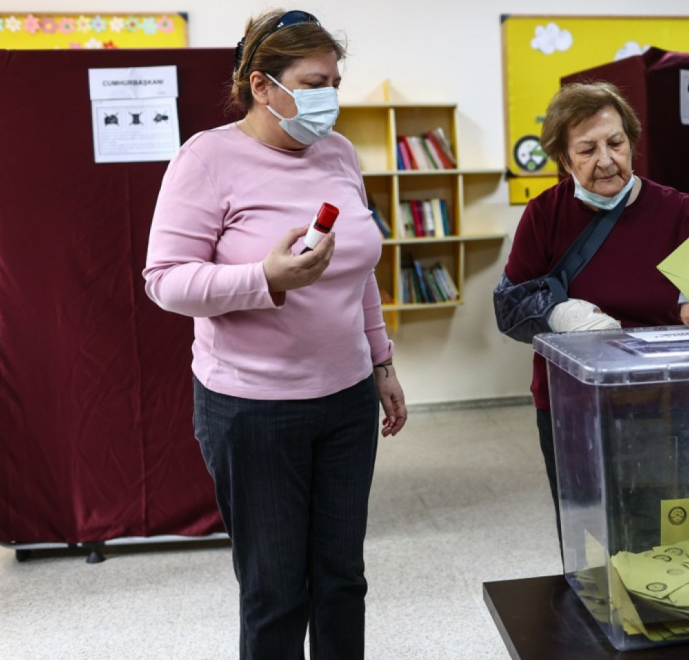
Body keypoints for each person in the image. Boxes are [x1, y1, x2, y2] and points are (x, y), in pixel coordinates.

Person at [142, 9, 407, 659]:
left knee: (342, 580)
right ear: (262, 85)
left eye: (335, 83)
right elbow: (165, 281)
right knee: (276, 591)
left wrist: (381, 361)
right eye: (314, 84)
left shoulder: (340, 153)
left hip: (346, 400)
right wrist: (263, 278)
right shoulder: (206, 159)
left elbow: (357, 269)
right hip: (252, 408)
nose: (329, 100)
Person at [497, 82, 689, 549]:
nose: (606, 160)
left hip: (662, 402)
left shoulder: (671, 210)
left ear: (632, 144)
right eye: (587, 149)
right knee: (587, 531)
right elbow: (509, 308)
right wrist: (560, 314)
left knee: (661, 531)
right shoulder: (545, 215)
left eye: (616, 143)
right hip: (573, 404)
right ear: (564, 159)